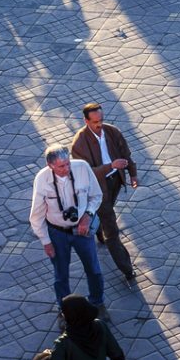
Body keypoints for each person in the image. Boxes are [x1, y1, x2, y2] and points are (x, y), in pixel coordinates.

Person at [69, 104, 140, 282]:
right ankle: (127, 268)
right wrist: (111, 166)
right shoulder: (79, 144)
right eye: (95, 122)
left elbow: (126, 154)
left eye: (101, 120)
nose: (99, 124)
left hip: (115, 181)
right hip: (97, 189)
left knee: (106, 211)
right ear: (86, 121)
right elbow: (86, 172)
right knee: (112, 230)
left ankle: (99, 231)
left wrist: (133, 174)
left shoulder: (112, 131)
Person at [30, 146, 107, 308]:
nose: (66, 169)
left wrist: (87, 215)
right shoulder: (42, 179)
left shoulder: (82, 168)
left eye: (67, 164)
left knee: (93, 269)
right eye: (61, 166)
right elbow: (36, 215)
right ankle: (64, 310)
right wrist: (46, 241)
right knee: (61, 275)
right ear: (50, 165)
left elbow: (96, 196)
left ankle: (98, 303)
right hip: (57, 233)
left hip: (82, 230)